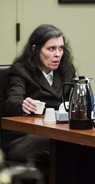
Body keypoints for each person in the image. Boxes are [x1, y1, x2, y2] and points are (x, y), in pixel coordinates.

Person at [1, 24, 76, 183]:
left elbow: (73, 101)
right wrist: (23, 105)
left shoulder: (66, 70)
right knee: (65, 147)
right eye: (51, 49)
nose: (57, 54)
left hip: (59, 133)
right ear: (35, 49)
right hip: (24, 138)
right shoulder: (21, 70)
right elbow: (12, 101)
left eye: (61, 48)